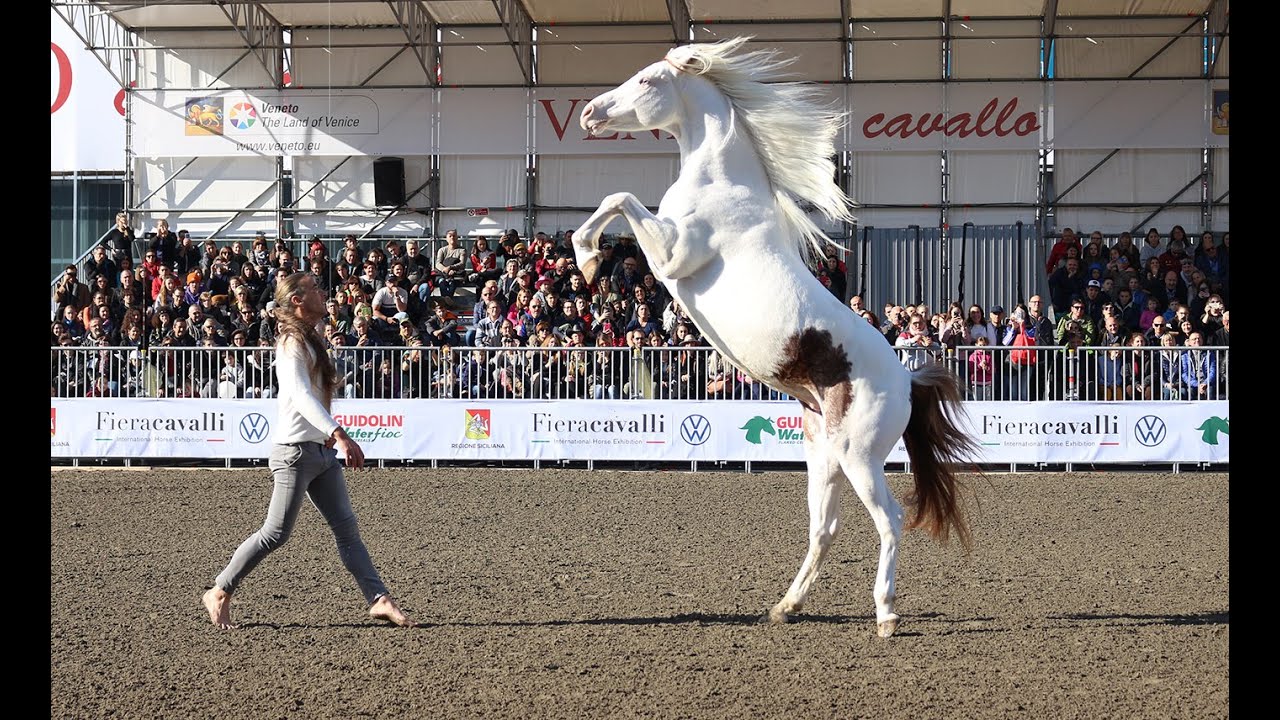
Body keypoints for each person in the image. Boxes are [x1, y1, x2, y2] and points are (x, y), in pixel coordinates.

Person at [201, 272, 414, 630]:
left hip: (320, 454)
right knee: (275, 533)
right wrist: (339, 434)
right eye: (315, 288)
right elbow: (300, 396)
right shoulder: (290, 343)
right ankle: (219, 591)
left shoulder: (310, 340)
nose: (323, 291)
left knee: (347, 531)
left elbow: (313, 396)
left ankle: (379, 600)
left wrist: (331, 437)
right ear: (297, 300)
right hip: (294, 454)